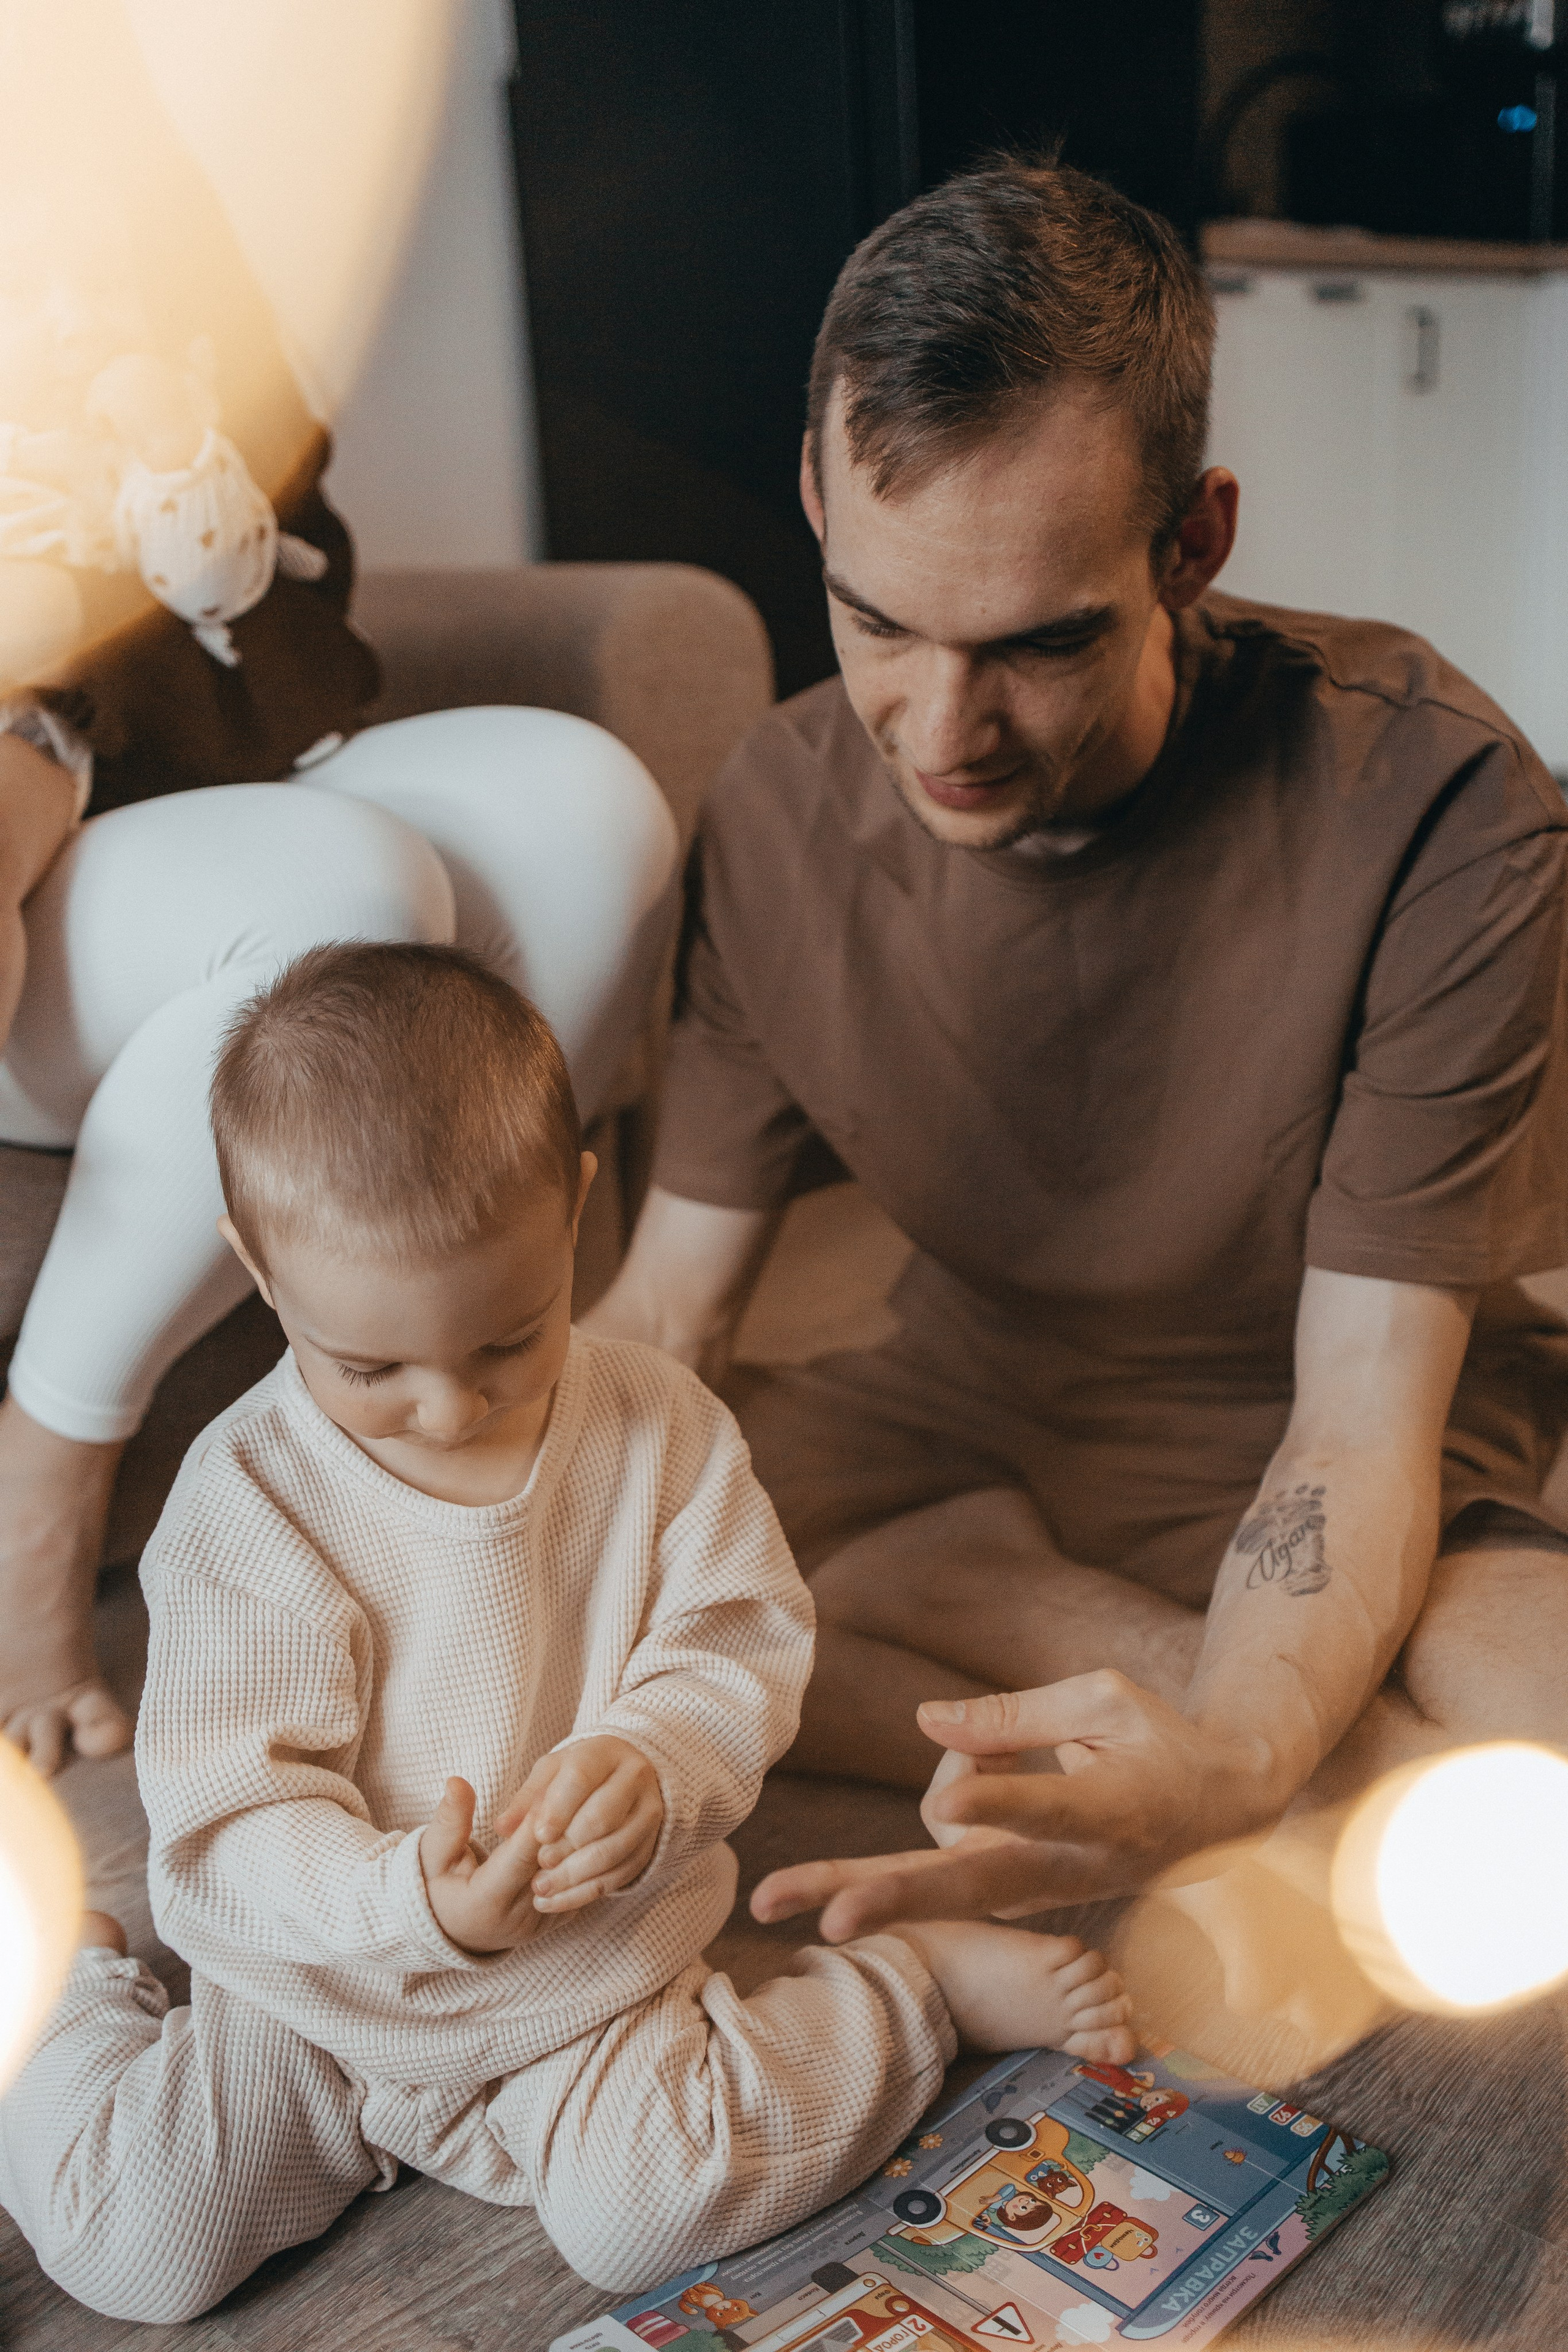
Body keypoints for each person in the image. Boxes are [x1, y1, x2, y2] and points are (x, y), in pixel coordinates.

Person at [583, 156, 1568, 1936]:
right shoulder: (782, 802)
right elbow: (664, 1323)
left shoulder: (1444, 801)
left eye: (1037, 644)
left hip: (1317, 1409)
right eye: (878, 621)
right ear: (814, 497)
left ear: (1192, 545)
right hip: (954, 1406)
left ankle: (1137, 1695)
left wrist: (1247, 1750)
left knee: (1540, 1745)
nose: (941, 729)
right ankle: (1117, 1671)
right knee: (632, 1581)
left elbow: (1359, 1423)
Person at [0, 944, 1133, 2323]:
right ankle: (67, 1983)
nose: (448, 1408)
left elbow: (742, 1640)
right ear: (259, 1268)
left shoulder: (658, 1425)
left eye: (506, 1339)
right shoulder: (249, 1506)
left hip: (584, 1983)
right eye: (369, 1369)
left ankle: (913, 1983)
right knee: (131, 2249)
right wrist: (410, 1900)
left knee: (648, 2209)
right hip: (316, 1996)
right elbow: (234, 1817)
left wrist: (654, 1755)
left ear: (576, 1208)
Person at [0, 0, 682, 1775]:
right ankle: (50, 1465)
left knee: (587, 808)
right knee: (346, 900)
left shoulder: (95, 156)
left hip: (170, 775)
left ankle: (429, 1415)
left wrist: (178, 511)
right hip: (27, 837)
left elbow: (301, 550)